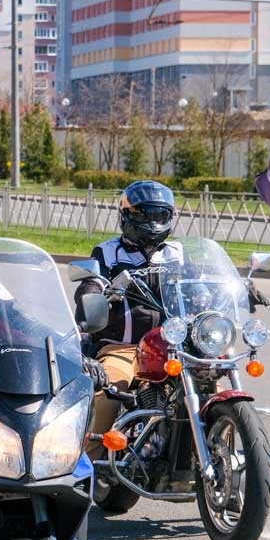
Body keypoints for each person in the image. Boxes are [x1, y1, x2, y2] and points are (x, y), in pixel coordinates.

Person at [74, 180, 181, 457]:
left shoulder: (178, 254)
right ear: (128, 216)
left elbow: (200, 285)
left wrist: (236, 289)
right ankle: (85, 469)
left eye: (160, 215)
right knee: (110, 393)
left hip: (171, 348)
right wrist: (96, 294)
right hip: (122, 348)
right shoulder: (108, 252)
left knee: (211, 385)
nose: (153, 222)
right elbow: (91, 283)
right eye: (145, 215)